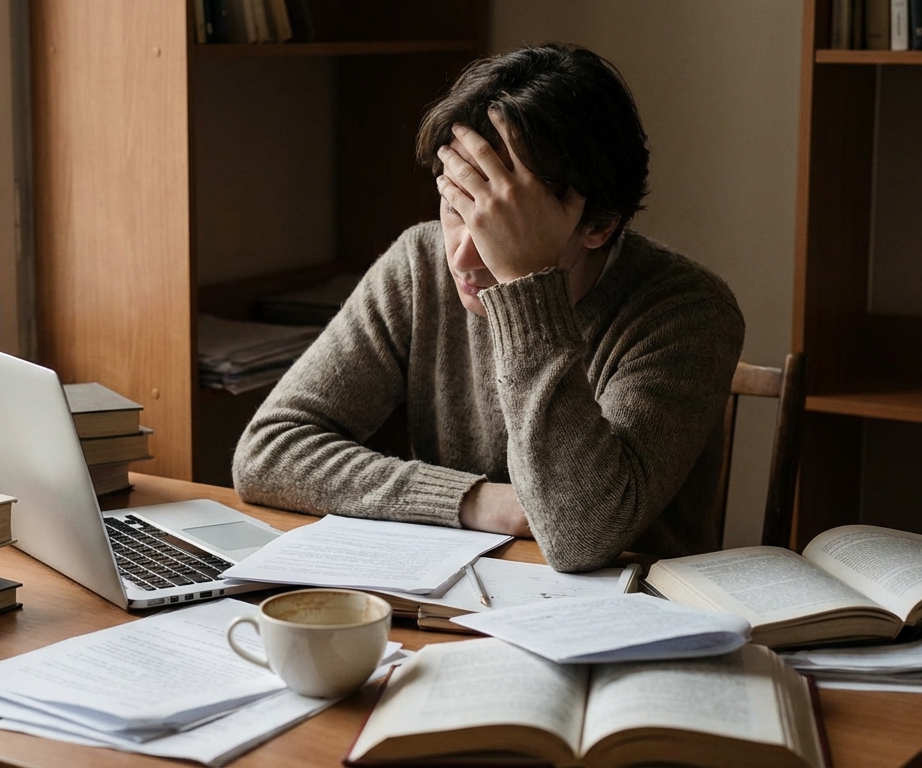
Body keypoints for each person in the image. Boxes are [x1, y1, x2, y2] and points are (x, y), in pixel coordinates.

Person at [231, 43, 744, 572]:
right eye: (457, 207)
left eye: (505, 225)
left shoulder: (688, 311)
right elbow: (268, 452)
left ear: (599, 225)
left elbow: (580, 535)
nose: (462, 254)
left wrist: (524, 287)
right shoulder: (419, 263)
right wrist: (476, 500)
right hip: (462, 593)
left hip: (636, 613)